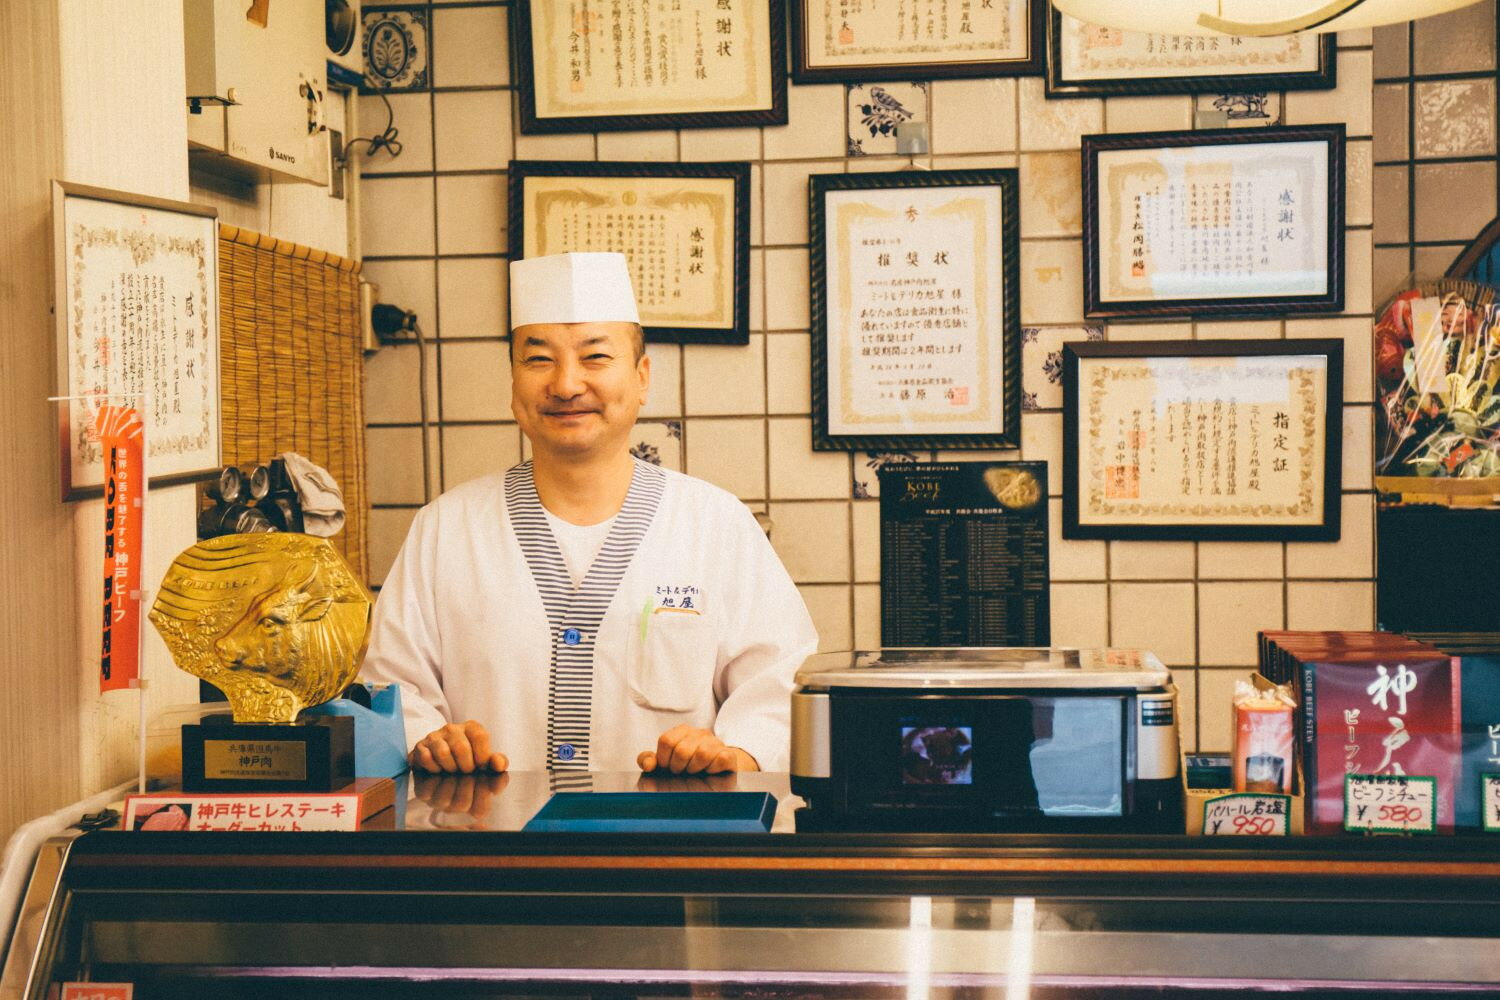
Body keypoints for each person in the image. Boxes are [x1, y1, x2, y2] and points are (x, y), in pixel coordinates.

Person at [361, 252, 818, 777]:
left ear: (642, 377)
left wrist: (736, 752)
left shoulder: (716, 524)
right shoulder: (445, 528)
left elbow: (781, 685)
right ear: (513, 382)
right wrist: (430, 741)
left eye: (595, 357)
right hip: (490, 846)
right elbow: (395, 691)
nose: (566, 385)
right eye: (538, 360)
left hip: (673, 845)